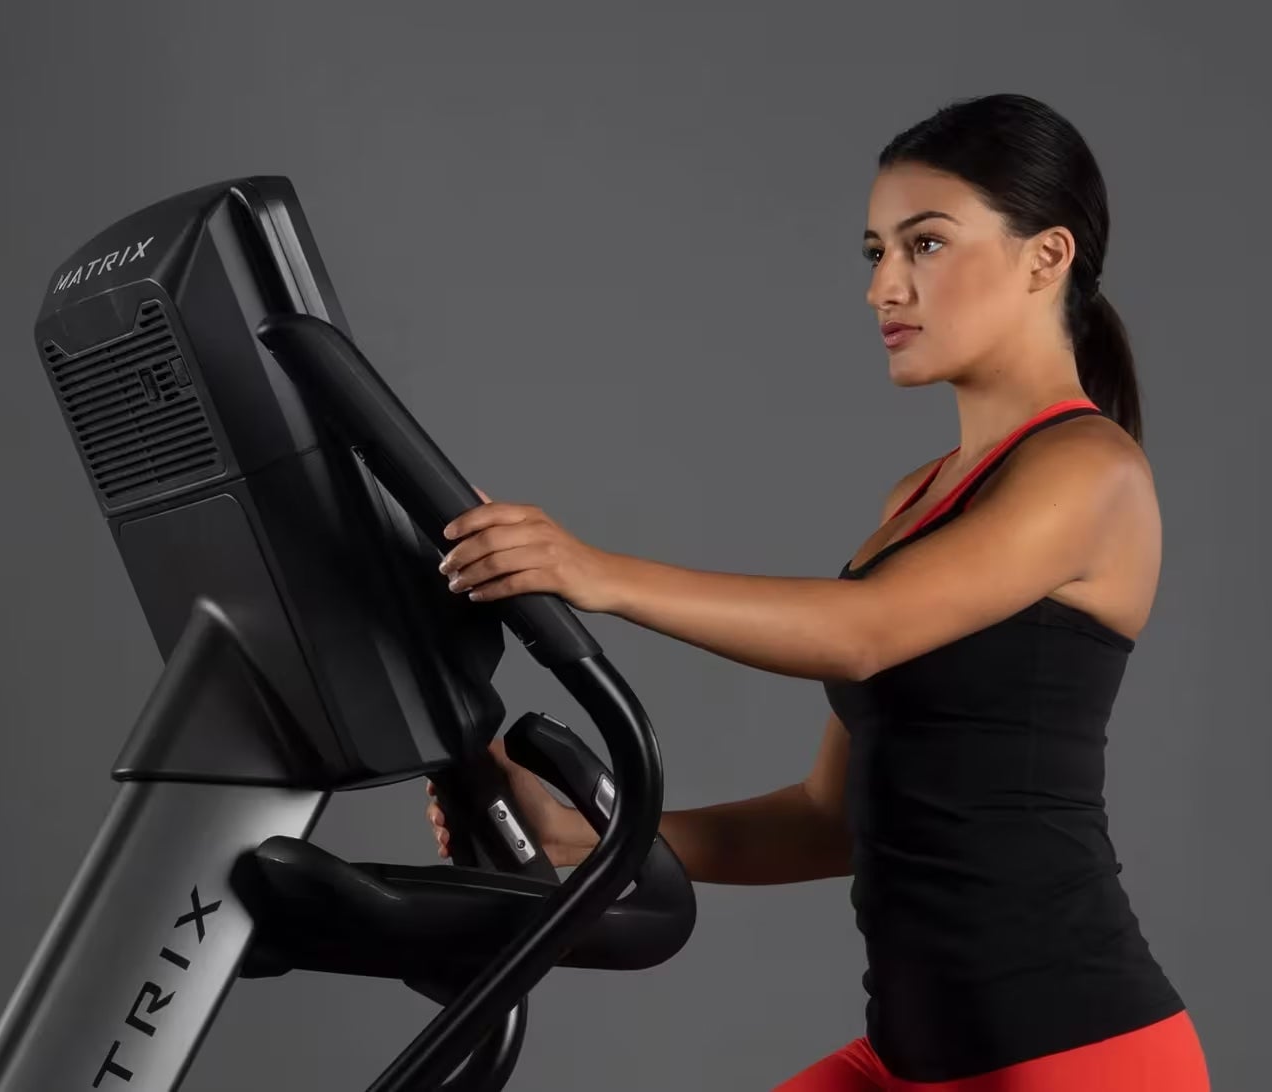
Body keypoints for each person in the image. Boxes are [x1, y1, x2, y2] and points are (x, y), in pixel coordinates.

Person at [424, 93, 1210, 1091]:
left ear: (1044, 256)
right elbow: (833, 816)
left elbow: (864, 633)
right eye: (874, 252)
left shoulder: (1091, 470)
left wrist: (595, 573)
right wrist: (589, 828)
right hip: (906, 1062)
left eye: (925, 245)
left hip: (1074, 1058)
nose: (886, 284)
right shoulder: (916, 501)